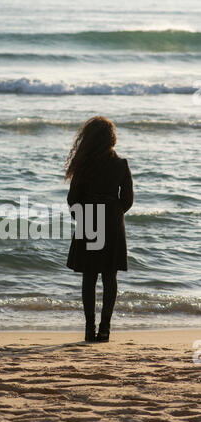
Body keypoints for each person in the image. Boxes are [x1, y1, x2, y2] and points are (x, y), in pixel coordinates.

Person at [64, 116, 134, 342]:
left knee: (89, 276)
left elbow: (73, 199)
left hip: (88, 219)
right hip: (113, 222)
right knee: (110, 276)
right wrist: (113, 213)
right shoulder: (121, 164)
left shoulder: (83, 166)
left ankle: (89, 328)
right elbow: (128, 200)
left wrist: (83, 217)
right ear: (111, 139)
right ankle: (105, 329)